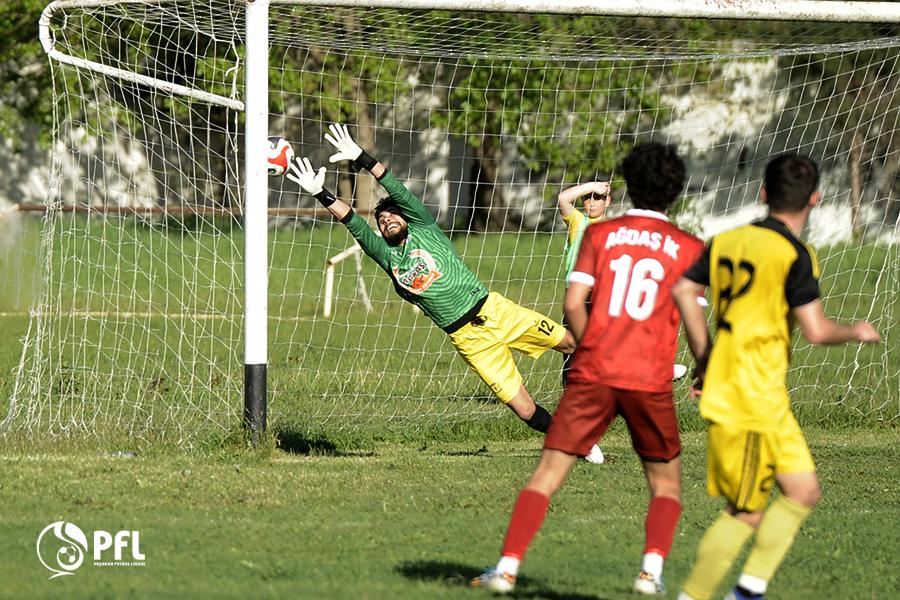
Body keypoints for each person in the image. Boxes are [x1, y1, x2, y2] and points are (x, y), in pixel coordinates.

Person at [288, 123, 603, 462]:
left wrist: (361, 157)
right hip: (468, 340)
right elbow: (353, 222)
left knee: (572, 343)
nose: (387, 221)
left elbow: (394, 185)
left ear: (406, 217)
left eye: (392, 215)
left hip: (494, 310)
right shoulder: (386, 255)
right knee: (524, 409)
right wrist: (321, 193)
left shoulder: (424, 227)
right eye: (381, 221)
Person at [473, 142, 705, 596]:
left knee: (548, 474)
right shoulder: (688, 246)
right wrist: (703, 371)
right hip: (648, 379)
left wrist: (589, 348)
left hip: (594, 371)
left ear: (628, 187)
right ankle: (650, 575)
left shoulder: (601, 236)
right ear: (675, 192)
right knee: (665, 483)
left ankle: (505, 569)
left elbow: (573, 303)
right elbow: (696, 323)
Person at [672, 153, 881, 600]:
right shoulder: (795, 254)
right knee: (744, 512)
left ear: (763, 193)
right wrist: (857, 331)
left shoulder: (725, 240)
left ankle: (747, 592)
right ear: (816, 198)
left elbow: (685, 290)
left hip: (767, 397)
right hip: (746, 395)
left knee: (802, 491)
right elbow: (818, 330)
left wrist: (705, 354)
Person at [557, 180, 611, 386]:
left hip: (601, 296)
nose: (593, 202)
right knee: (573, 347)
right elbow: (563, 198)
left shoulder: (613, 229)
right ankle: (571, 394)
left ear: (608, 201)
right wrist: (593, 186)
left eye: (598, 198)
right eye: (588, 198)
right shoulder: (579, 222)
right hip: (576, 296)